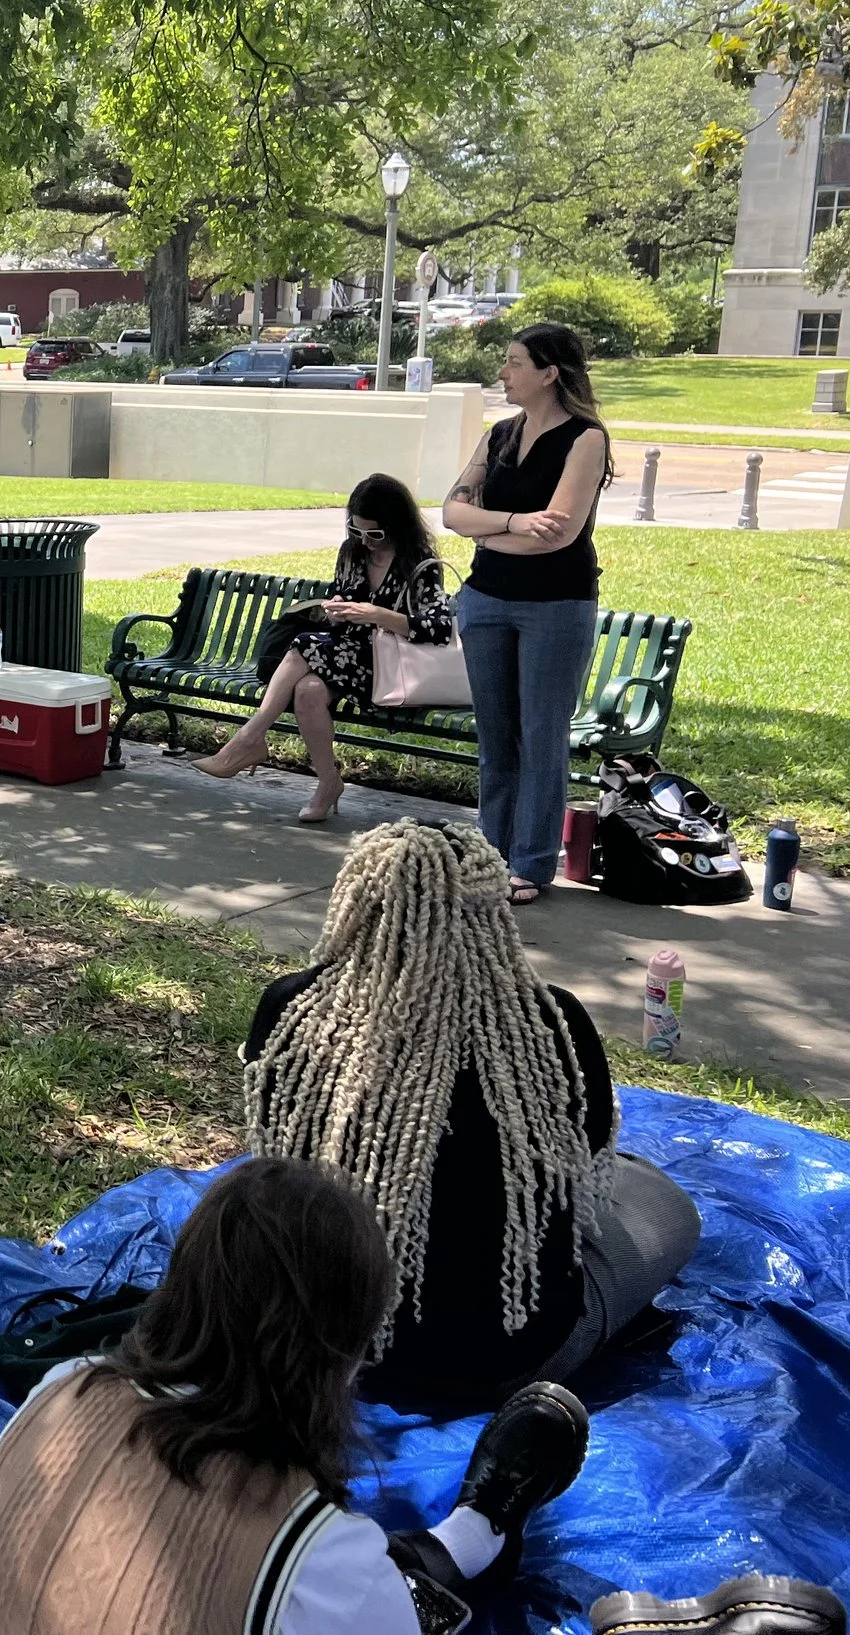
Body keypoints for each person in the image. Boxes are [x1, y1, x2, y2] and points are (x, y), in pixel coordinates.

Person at [0, 1155, 594, 1635]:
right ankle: (475, 1531)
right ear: (340, 1358)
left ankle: (475, 1532)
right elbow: (350, 1596)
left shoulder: (62, 1391)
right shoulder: (315, 1556)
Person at [246, 820, 701, 1416]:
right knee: (664, 1203)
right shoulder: (548, 1022)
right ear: (492, 911)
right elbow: (585, 1165)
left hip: (321, 1348)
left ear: (356, 904)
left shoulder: (290, 1008)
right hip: (502, 1366)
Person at [441, 322, 612, 903]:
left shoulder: (586, 439)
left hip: (555, 605)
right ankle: (491, 853)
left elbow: (558, 534)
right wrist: (510, 525)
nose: (503, 373)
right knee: (496, 735)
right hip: (485, 599)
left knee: (541, 736)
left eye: (514, 363)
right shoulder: (499, 436)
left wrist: (487, 532)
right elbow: (451, 512)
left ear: (549, 373)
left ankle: (532, 864)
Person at [192, 473, 455, 822]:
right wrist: (336, 610)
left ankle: (249, 738)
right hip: (343, 654)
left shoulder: (419, 564)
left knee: (302, 645)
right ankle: (328, 782)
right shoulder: (352, 553)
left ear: (396, 525)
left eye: (375, 533)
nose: (366, 541)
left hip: (387, 668)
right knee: (309, 690)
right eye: (357, 530)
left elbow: (438, 628)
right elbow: (343, 599)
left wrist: (380, 615)